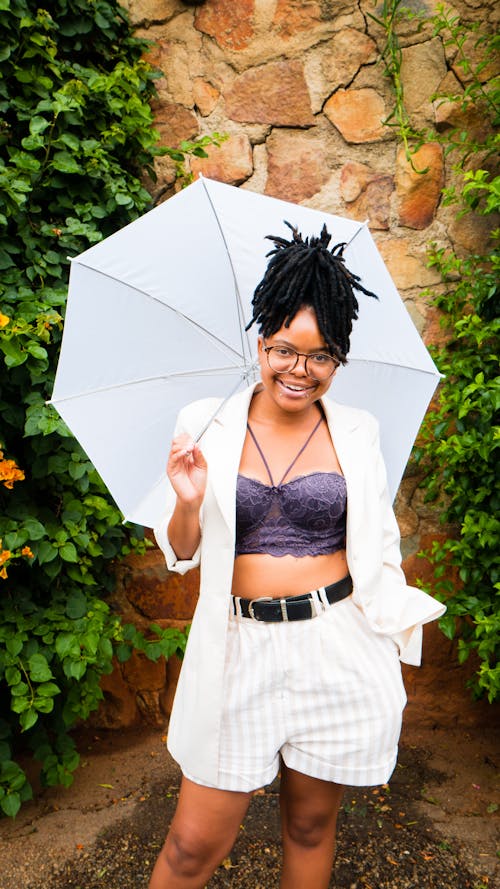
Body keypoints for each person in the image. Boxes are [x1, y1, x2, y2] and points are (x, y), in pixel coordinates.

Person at [149, 223, 445, 889]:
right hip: (237, 646)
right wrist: (189, 500)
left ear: (337, 359)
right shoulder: (206, 422)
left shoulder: (357, 430)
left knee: (310, 826)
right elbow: (185, 552)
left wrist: (387, 636)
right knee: (194, 844)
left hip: (332, 644)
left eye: (321, 356)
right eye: (285, 349)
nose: (299, 370)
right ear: (262, 343)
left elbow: (380, 547)